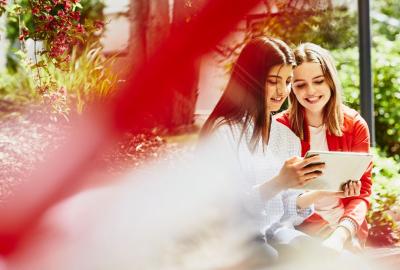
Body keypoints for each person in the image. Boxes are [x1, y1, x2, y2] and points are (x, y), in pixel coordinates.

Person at [199, 37, 349, 257]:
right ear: (250, 80)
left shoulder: (287, 137)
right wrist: (279, 182)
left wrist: (323, 191)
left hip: (276, 232)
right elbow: (227, 211)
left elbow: (286, 213)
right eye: (273, 81)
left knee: (335, 258)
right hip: (234, 238)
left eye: (288, 81)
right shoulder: (224, 133)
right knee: (271, 256)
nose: (282, 91)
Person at [277, 42, 372, 252]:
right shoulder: (280, 128)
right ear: (291, 86)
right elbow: (278, 199)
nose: (310, 91)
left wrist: (342, 234)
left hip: (346, 227)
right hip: (300, 228)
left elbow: (362, 193)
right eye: (300, 84)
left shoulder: (355, 125)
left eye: (318, 81)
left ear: (330, 81)